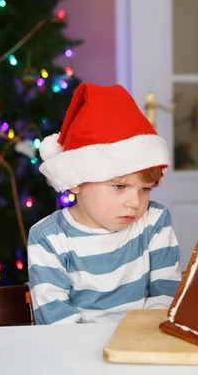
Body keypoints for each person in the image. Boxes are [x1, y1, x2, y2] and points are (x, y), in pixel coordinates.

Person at [28, 83, 181, 324]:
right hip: (75, 354)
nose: (134, 202)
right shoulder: (48, 238)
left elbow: (166, 301)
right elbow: (56, 322)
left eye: (145, 189)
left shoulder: (154, 221)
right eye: (120, 187)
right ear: (76, 182)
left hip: (139, 348)